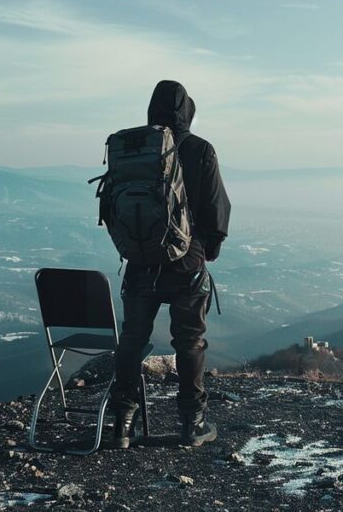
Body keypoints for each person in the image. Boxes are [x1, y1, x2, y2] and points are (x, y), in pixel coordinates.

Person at [109, 80, 231, 448]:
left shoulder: (131, 148)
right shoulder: (199, 149)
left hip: (140, 260)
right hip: (185, 262)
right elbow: (216, 210)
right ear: (187, 111)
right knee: (190, 342)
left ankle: (121, 425)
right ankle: (191, 423)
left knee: (132, 340)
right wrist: (206, 249)